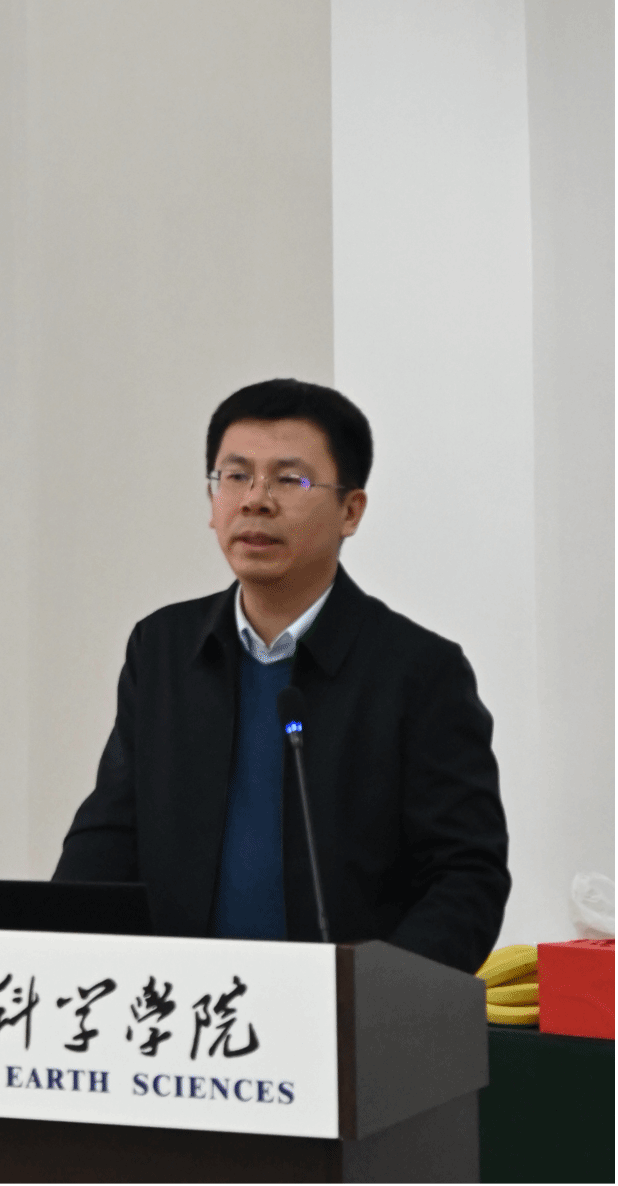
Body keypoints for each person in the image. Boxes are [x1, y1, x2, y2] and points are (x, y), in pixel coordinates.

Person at [53, 378, 508, 972]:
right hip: (181, 1008)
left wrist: (377, 993)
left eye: (289, 480)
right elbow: (110, 836)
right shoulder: (163, 648)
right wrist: (54, 954)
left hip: (345, 1015)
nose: (255, 500)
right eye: (235, 476)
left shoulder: (419, 671)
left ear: (351, 511)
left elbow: (465, 876)